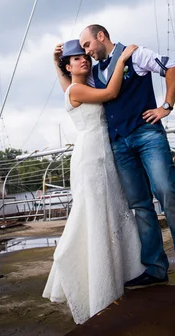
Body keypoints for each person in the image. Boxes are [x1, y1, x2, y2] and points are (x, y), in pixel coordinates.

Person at [79, 24, 175, 290]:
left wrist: (166, 106)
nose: (87, 51)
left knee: (167, 192)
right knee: (140, 205)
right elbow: (75, 87)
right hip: (119, 144)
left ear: (100, 36)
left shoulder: (134, 55)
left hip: (147, 134)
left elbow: (173, 68)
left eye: (87, 45)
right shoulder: (94, 74)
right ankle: (155, 268)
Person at [43, 39, 144, 324]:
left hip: (102, 151)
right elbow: (112, 93)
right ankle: (91, 276)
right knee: (95, 211)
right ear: (69, 66)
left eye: (84, 56)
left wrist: (56, 63)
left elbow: (69, 80)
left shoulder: (74, 85)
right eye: (75, 59)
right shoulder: (76, 89)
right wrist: (122, 60)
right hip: (92, 155)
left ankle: (115, 271)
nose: (83, 60)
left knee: (110, 208)